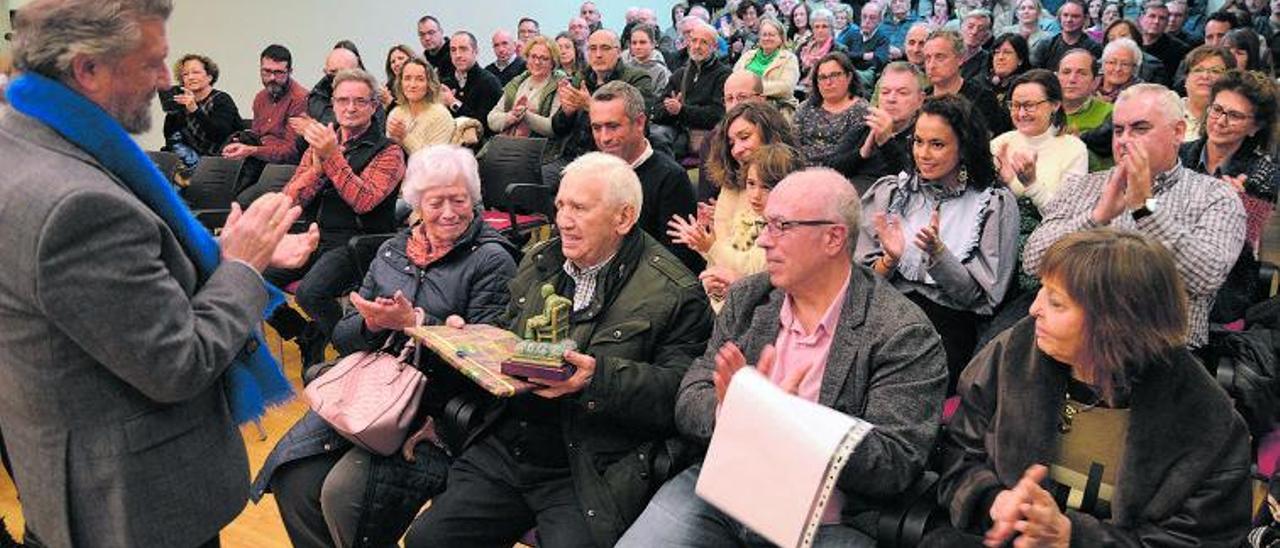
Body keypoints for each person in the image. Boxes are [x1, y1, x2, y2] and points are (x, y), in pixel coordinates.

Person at [0, 0, 316, 545]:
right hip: (131, 506)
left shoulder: (28, 137)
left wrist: (229, 251)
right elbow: (178, 362)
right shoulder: (73, 206)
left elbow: (120, 279)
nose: (167, 80)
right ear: (88, 69)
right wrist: (240, 267)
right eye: (153, 62)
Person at [620, 168, 949, 547]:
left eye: (780, 227)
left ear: (833, 237)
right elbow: (691, 394)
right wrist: (734, 410)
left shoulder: (900, 332)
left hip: (824, 520)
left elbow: (896, 462)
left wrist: (792, 423)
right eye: (765, 225)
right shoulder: (749, 299)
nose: (762, 240)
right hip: (724, 493)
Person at [402, 152, 714, 548]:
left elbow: (680, 394)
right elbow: (509, 338)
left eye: (580, 208)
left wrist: (596, 379)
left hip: (590, 464)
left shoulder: (675, 292)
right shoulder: (540, 260)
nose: (563, 219)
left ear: (623, 217)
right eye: (561, 205)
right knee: (427, 541)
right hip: (509, 443)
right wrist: (468, 341)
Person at [254, 145, 517, 548]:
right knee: (293, 479)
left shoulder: (492, 261)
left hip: (438, 413)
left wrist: (418, 325)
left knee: (342, 494)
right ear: (416, 205)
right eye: (436, 202)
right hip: (372, 394)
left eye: (459, 200)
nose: (448, 212)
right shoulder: (394, 251)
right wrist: (372, 324)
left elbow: (490, 360)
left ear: (475, 199)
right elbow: (343, 338)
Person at [922, 228, 1253, 547]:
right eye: (1041, 291)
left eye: (1056, 302)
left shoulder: (1205, 420)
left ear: (1114, 324)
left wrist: (1073, 537)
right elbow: (960, 454)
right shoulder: (1014, 354)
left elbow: (1203, 539)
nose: (1034, 308)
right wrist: (993, 500)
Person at [1023, 83, 1246, 348]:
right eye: (1118, 130)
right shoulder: (1083, 187)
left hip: (1161, 350)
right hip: (1074, 342)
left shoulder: (1214, 194)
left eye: (1140, 128)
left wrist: (1145, 209)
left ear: (1178, 132)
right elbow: (1033, 262)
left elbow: (1206, 277)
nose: (1124, 140)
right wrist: (1096, 217)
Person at [858, 94, 1021, 389]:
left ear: (964, 147)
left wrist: (939, 255)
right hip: (885, 309)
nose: (923, 154)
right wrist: (890, 260)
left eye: (937, 144)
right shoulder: (893, 192)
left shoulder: (991, 203)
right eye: (918, 141)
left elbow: (980, 298)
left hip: (946, 323)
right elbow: (862, 283)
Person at [267, 68, 407, 367]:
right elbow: (292, 198)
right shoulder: (322, 143)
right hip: (317, 236)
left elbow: (363, 201)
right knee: (254, 276)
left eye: (359, 101)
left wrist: (332, 157)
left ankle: (352, 350)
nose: (350, 108)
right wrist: (316, 170)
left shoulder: (390, 151)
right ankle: (305, 333)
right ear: (333, 104)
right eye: (343, 101)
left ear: (373, 106)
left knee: (310, 293)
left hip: (360, 242)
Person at [668, 143, 804, 311]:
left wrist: (711, 246)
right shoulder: (748, 216)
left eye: (767, 187)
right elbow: (728, 257)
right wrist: (701, 243)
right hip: (726, 300)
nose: (755, 195)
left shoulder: (785, 229)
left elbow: (753, 269)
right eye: (751, 184)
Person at [588, 81, 702, 272]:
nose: (604, 137)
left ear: (640, 122)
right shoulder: (590, 173)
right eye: (597, 128)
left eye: (613, 126)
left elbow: (677, 262)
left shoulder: (671, 179)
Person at [1179, 69, 1279, 255]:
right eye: (1217, 109)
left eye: (1234, 115)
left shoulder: (1265, 174)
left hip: (1229, 272)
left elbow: (1255, 248)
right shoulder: (1176, 155)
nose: (1220, 121)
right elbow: (1150, 208)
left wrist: (1240, 207)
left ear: (1255, 127)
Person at [544, 28, 655, 187]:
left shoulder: (637, 78)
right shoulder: (581, 78)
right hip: (571, 157)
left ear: (619, 52)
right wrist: (566, 113)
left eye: (605, 48)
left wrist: (591, 106)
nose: (598, 54)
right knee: (534, 181)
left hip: (611, 159)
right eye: (592, 48)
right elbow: (557, 128)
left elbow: (639, 125)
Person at [836, 61, 929, 192]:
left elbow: (915, 182)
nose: (891, 99)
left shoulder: (924, 137)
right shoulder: (865, 128)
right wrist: (861, 154)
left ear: (920, 99)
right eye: (885, 92)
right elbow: (831, 170)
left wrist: (886, 143)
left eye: (902, 93)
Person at [650, 20, 732, 159]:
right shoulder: (680, 74)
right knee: (653, 136)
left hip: (702, 134)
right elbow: (657, 110)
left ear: (714, 46)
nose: (697, 46)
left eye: (703, 42)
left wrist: (681, 110)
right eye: (694, 41)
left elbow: (717, 114)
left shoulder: (723, 75)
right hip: (676, 130)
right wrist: (670, 110)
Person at [222, 44, 310, 166]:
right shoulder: (260, 97)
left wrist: (252, 150)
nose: (272, 78)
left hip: (285, 166)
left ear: (290, 72)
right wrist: (244, 144)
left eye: (279, 72)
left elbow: (291, 153)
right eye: (267, 71)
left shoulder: (300, 98)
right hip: (260, 159)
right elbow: (256, 137)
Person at [703, 101, 798, 206]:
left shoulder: (798, 188)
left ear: (771, 134)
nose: (736, 150)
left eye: (744, 137)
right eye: (731, 144)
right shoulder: (731, 187)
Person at [161, 53, 242, 170]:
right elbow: (171, 139)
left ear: (209, 77)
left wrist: (195, 110)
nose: (190, 77)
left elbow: (219, 135)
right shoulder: (182, 103)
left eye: (196, 72)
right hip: (189, 161)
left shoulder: (221, 99)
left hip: (219, 161)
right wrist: (172, 112)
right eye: (185, 74)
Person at [924, 29, 1013, 134]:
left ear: (960, 59)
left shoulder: (982, 99)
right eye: (927, 58)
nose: (931, 65)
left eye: (940, 57)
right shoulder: (921, 98)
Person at [795, 52, 870, 168]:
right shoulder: (806, 107)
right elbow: (793, 143)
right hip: (799, 170)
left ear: (849, 77)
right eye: (822, 77)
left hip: (839, 173)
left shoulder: (862, 111)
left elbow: (853, 156)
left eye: (834, 75)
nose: (828, 83)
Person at [488, 35, 564, 148]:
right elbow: (492, 120)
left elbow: (552, 127)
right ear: (527, 58)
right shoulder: (517, 83)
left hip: (540, 149)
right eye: (533, 56)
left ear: (553, 63)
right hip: (507, 144)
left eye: (544, 58)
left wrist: (526, 115)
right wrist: (510, 116)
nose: (537, 62)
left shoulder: (559, 85)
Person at [1057, 48, 1115, 170]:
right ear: (1056, 78)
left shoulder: (1112, 115)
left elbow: (1110, 169)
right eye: (1066, 72)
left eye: (1082, 73)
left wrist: (1078, 147)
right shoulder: (1042, 111)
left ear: (1095, 82)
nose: (1072, 79)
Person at [734, 17, 802, 116]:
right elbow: (735, 77)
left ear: (781, 38)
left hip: (776, 109)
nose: (767, 38)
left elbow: (786, 87)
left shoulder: (789, 58)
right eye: (764, 35)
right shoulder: (748, 55)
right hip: (744, 105)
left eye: (771, 35)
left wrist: (754, 89)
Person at [387, 57, 456, 155]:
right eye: (407, 78)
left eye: (420, 79)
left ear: (429, 84)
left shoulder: (440, 115)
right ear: (400, 82)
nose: (412, 85)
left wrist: (405, 137)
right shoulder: (395, 113)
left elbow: (432, 161)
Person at [440, 31, 503, 133]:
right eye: (453, 50)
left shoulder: (489, 82)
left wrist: (453, 103)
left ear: (475, 51)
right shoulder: (445, 82)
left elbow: (484, 124)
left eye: (463, 49)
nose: (457, 55)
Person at [1181, 45, 1236, 141]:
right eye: (1198, 70)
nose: (1205, 76)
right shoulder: (1167, 111)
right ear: (1186, 79)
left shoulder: (1234, 120)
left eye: (1215, 71)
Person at [1030, 0, 1103, 69]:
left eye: (1075, 16)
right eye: (1065, 15)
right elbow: (1034, 73)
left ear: (1085, 18)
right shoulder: (1045, 45)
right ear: (1060, 17)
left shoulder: (1094, 48)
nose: (1069, 20)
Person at [1138, 0, 1188, 84]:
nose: (1156, 21)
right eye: (1152, 16)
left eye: (1162, 18)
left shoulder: (1179, 50)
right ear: (1141, 19)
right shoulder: (1131, 42)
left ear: (1166, 23)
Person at [843, 2, 893, 72]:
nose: (867, 21)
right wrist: (863, 56)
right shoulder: (852, 33)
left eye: (872, 18)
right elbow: (840, 54)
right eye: (864, 16)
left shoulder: (883, 38)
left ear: (880, 21)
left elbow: (877, 63)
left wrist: (852, 57)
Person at [623, 24, 672, 93]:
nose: (638, 47)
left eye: (642, 42)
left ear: (653, 44)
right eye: (634, 43)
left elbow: (661, 97)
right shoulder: (625, 68)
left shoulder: (661, 71)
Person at [799, 9, 842, 85]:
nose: (820, 30)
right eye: (817, 27)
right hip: (799, 88)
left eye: (824, 26)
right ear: (812, 29)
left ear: (831, 29)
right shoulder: (803, 47)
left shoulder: (838, 50)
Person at [1097, 36, 1144, 101]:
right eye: (1112, 62)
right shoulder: (1089, 83)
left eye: (1125, 64)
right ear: (1103, 64)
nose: (1117, 69)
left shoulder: (1140, 93)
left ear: (1134, 68)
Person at [988, 33, 1032, 103]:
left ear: (1020, 59)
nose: (1000, 57)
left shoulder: (1025, 87)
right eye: (996, 52)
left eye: (1007, 53)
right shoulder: (985, 81)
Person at [378, 44, 415, 110]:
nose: (397, 64)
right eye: (393, 62)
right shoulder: (389, 87)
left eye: (400, 58)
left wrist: (390, 101)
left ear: (411, 59)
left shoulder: (420, 83)